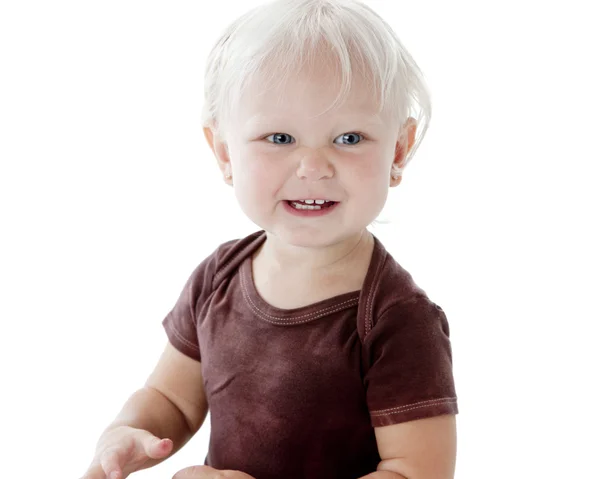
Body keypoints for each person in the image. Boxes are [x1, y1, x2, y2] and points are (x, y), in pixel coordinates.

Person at [80, 1, 459, 478]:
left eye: (349, 138)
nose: (314, 166)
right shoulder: (219, 277)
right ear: (224, 153)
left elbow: (416, 472)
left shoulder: (396, 319)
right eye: (280, 138)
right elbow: (171, 399)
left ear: (398, 150)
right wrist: (127, 432)